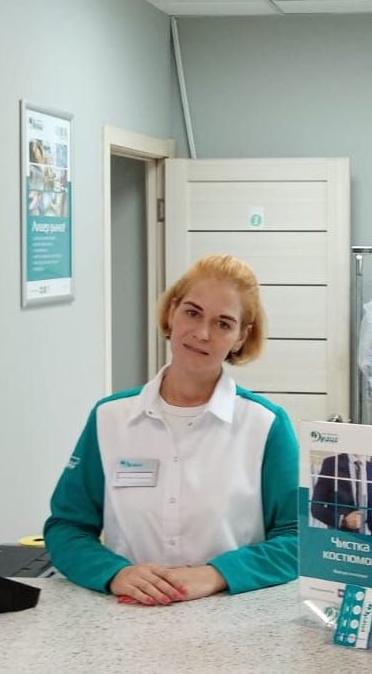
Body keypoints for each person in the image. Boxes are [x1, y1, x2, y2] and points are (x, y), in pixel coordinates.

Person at [44, 254, 298, 605]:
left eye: (223, 324)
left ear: (241, 337)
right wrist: (115, 573)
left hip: (233, 620)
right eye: (192, 313)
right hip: (127, 616)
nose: (202, 333)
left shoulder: (266, 424)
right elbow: (66, 527)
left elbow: (299, 538)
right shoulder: (109, 417)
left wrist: (216, 575)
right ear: (172, 312)